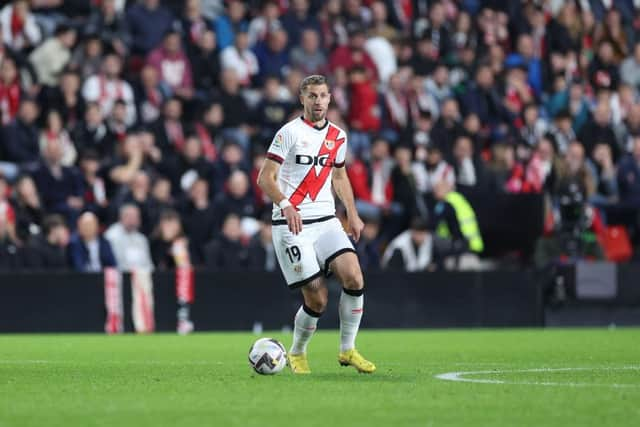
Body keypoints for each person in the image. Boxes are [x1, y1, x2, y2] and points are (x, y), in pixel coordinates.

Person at [256, 74, 375, 374]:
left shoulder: (339, 136)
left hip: (326, 220)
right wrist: (285, 204)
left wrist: (353, 212)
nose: (318, 101)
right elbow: (264, 178)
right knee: (317, 297)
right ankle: (297, 353)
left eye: (322, 95)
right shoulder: (288, 133)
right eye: (312, 96)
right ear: (302, 99)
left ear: (330, 98)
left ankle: (348, 349)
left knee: (354, 277)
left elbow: (339, 176)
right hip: (291, 225)